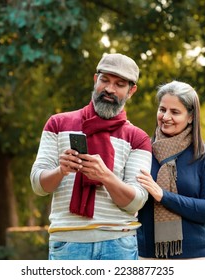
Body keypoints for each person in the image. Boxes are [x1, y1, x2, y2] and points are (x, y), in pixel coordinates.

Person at [30, 53, 152, 260]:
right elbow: (38, 185)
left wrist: (105, 176)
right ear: (96, 80)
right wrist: (61, 171)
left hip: (119, 244)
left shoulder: (137, 138)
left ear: (131, 91)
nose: (109, 89)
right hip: (68, 244)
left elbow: (136, 201)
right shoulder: (58, 124)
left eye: (119, 84)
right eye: (105, 80)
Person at [136, 80, 205, 259]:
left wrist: (163, 196)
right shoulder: (142, 151)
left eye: (175, 112)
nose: (166, 117)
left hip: (197, 256)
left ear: (191, 116)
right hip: (147, 256)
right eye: (162, 109)